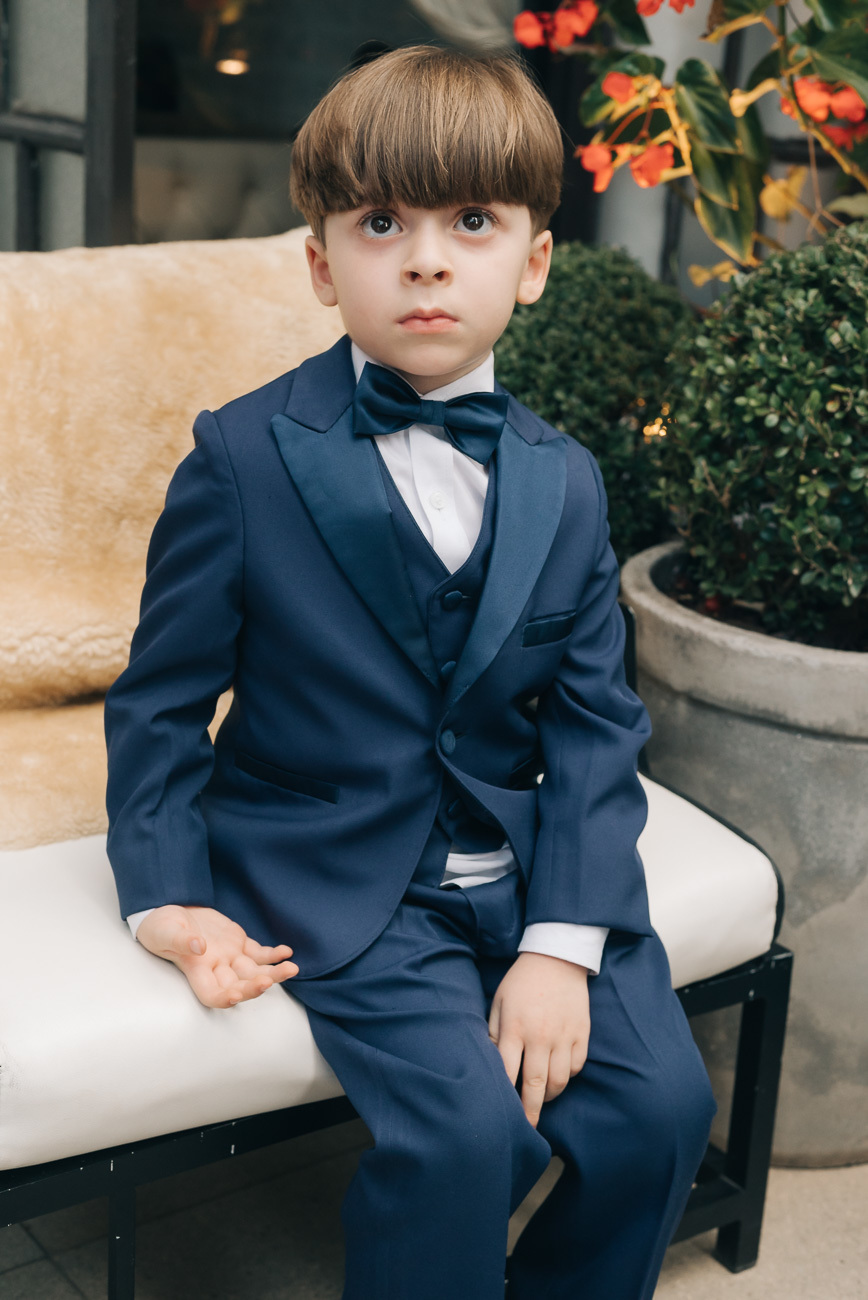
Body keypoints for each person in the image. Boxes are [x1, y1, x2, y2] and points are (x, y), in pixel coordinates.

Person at [105, 45, 715, 1300]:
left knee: (662, 1110)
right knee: (465, 1139)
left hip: (529, 869)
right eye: (382, 223)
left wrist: (561, 943)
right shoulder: (242, 457)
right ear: (322, 265)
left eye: (472, 221)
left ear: (533, 263)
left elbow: (597, 724)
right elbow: (160, 700)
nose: (426, 259)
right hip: (335, 874)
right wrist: (165, 898)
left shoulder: (566, 479)